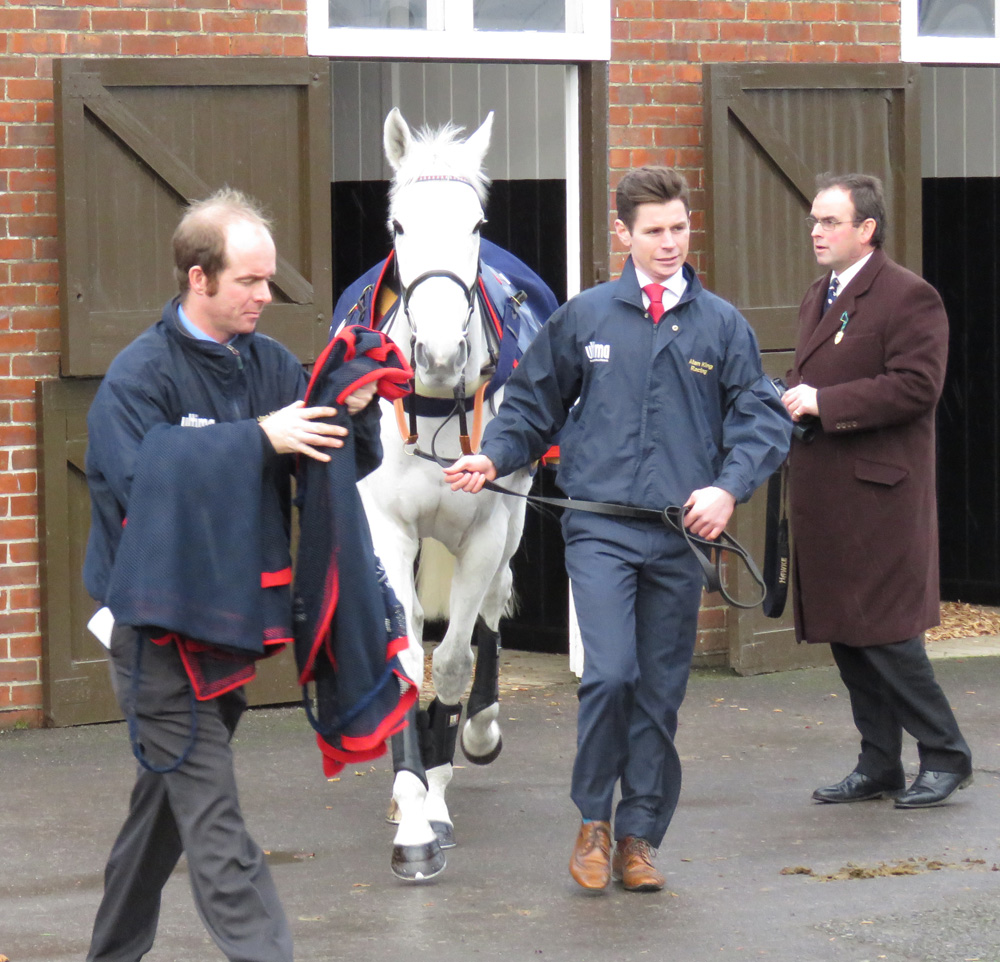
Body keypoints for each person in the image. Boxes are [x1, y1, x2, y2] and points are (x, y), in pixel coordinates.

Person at [444, 166, 790, 893]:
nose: (670, 243)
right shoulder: (588, 316)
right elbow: (532, 404)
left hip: (680, 535)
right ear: (624, 235)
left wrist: (728, 492)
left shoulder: (722, 326)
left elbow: (761, 420)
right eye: (654, 231)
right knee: (609, 675)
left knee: (661, 691)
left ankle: (638, 837)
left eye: (679, 228)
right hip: (599, 527)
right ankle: (591, 822)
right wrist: (493, 454)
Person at [82, 188, 377, 962]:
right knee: (216, 821)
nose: (264, 297)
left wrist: (358, 401)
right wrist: (254, 439)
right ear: (198, 279)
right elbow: (138, 479)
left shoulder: (269, 363)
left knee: (163, 816)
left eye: (268, 280)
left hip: (229, 625)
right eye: (248, 281)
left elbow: (329, 444)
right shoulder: (136, 378)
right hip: (155, 637)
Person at [782, 173, 973, 810]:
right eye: (814, 220)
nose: (816, 231)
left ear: (866, 229)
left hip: (881, 499)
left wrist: (824, 401)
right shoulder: (818, 295)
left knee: (887, 633)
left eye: (830, 221)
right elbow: (814, 373)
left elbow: (918, 387)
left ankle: (945, 754)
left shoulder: (909, 296)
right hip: (828, 496)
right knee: (846, 632)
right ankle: (879, 761)